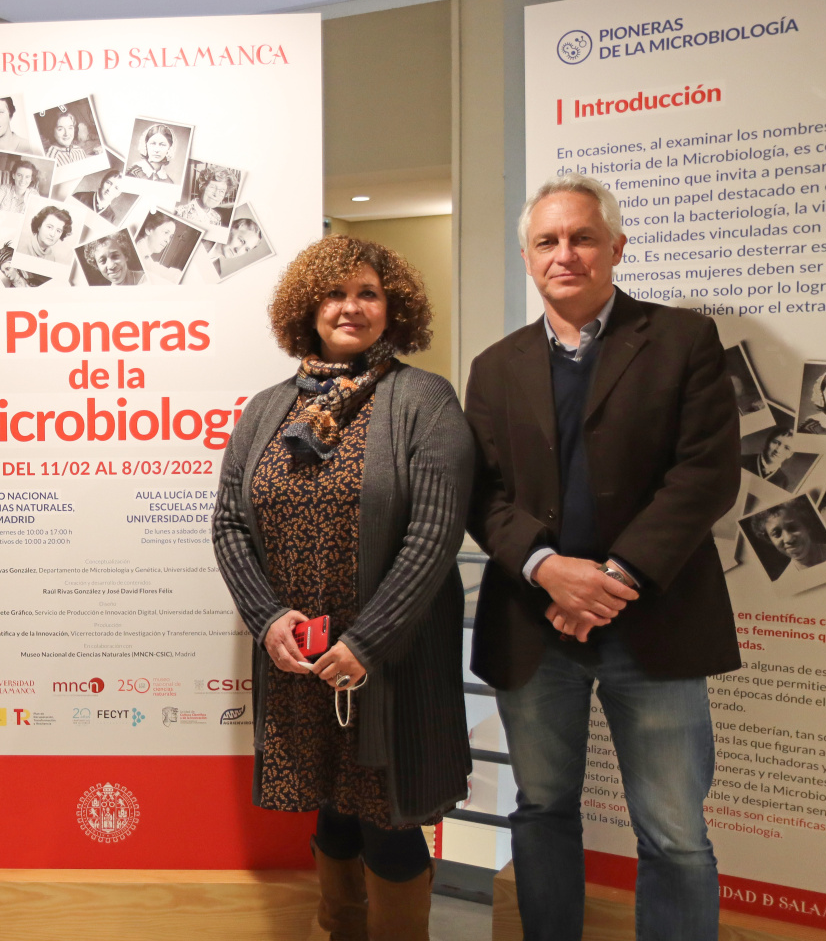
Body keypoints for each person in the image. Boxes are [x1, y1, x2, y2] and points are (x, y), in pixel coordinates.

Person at [466, 174, 739, 941]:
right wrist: (548, 567)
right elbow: (480, 493)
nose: (566, 254)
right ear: (527, 257)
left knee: (676, 834)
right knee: (542, 809)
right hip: (534, 626)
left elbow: (706, 474)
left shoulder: (683, 339)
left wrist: (613, 579)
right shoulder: (494, 367)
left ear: (615, 247)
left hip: (654, 625)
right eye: (548, 241)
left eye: (583, 237)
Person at [213, 235, 472, 941]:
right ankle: (340, 928)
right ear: (309, 308)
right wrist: (268, 621)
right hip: (300, 659)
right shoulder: (267, 410)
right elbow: (231, 523)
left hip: (387, 660)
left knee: (386, 818)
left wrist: (368, 641)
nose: (350, 307)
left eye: (368, 293)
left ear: (396, 308)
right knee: (330, 809)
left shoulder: (424, 400)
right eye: (334, 293)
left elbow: (434, 534)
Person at [754, 503, 826, 570]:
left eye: (793, 528)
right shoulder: (786, 582)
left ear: (807, 525)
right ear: (769, 539)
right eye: (777, 534)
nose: (788, 538)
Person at [753, 427, 810, 491]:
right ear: (767, 442)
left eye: (786, 448)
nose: (778, 450)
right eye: (775, 442)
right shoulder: (744, 460)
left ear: (790, 455)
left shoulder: (783, 481)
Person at [135, 211, 184, 279]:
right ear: (149, 229)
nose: (167, 240)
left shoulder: (148, 259)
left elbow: (157, 269)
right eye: (166, 232)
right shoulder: (137, 253)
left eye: (170, 236)